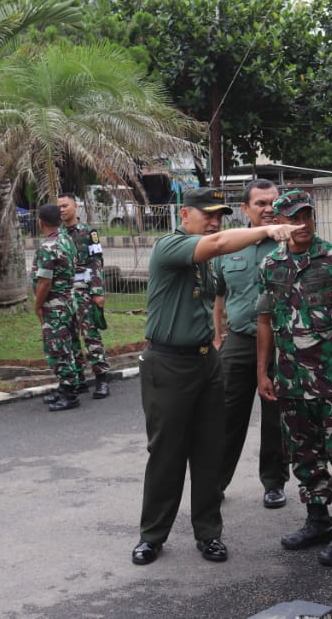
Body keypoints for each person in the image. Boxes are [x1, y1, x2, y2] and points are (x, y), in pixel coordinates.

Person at [132, 187, 295, 567]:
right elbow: (221, 243)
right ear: (183, 215)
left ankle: (209, 534)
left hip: (206, 362)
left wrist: (218, 337)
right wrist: (267, 231)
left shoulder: (206, 259)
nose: (214, 222)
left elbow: (216, 297)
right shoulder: (170, 246)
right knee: (167, 453)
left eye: (219, 215)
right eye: (206, 214)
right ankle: (152, 536)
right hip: (168, 364)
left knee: (209, 452)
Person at [256, 189, 332, 567]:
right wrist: (263, 371)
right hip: (292, 380)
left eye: (306, 216)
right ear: (279, 223)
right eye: (292, 218)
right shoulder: (271, 265)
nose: (302, 224)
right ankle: (318, 519)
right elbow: (265, 322)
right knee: (303, 453)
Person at [212, 179, 289, 510]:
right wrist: (217, 336)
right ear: (245, 209)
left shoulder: (290, 242)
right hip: (240, 341)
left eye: (273, 202)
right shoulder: (228, 246)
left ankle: (274, 482)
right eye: (260, 203)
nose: (269, 208)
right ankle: (216, 482)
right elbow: (218, 296)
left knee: (276, 417)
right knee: (227, 415)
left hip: (283, 343)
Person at [58, 192, 111, 399]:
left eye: (65, 206)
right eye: (59, 207)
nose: (61, 210)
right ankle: (78, 379)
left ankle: (101, 379)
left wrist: (97, 292)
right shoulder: (58, 234)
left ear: (75, 206)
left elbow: (97, 262)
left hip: (84, 291)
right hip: (63, 293)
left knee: (90, 335)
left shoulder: (89, 233)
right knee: (69, 337)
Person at [34, 204, 84, 412]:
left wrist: (37, 304)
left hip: (55, 305)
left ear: (41, 222)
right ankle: (67, 387)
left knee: (57, 349)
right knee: (70, 345)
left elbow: (44, 282)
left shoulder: (48, 247)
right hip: (69, 302)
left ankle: (70, 394)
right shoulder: (66, 240)